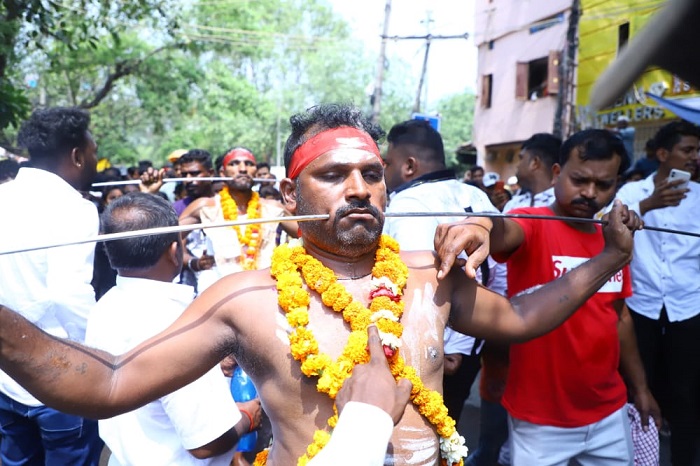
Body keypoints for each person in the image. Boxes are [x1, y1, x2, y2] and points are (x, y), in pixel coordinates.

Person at [0, 104, 641, 466]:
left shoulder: (429, 276)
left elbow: (524, 319)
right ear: (290, 196)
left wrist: (611, 257)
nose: (359, 188)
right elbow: (108, 381)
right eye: (334, 174)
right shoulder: (247, 298)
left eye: (371, 173)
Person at [439, 129, 659, 465]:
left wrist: (641, 388)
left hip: (608, 411)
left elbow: (620, 317)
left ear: (617, 185)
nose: (589, 193)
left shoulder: (614, 239)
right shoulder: (533, 222)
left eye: (603, 185)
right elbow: (502, 229)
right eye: (579, 179)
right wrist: (481, 225)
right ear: (557, 174)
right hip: (539, 418)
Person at [86, 192, 262, 466]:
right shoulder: (178, 325)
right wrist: (248, 417)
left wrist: (210, 365)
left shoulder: (104, 306)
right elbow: (206, 443)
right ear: (174, 251)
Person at [0, 107, 104, 465]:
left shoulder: (2, 196)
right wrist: (101, 357)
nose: (95, 160)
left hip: (6, 374)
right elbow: (68, 293)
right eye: (93, 152)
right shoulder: (74, 209)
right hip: (60, 378)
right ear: (76, 155)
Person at [382, 119, 500, 427]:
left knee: (420, 435)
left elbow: (420, 284)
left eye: (387, 163)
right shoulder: (476, 196)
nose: (383, 171)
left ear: (409, 165)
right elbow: (499, 275)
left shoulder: (409, 202)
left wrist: (439, 347)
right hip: (472, 344)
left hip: (438, 351)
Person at [467, 133, 561, 466]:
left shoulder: (562, 209)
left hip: (540, 319)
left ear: (535, 162)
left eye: (521, 157)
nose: (517, 164)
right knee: (496, 389)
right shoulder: (516, 203)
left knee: (534, 393)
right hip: (503, 316)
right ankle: (490, 452)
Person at [613, 120, 700, 466]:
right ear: (663, 154)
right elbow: (608, 224)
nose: (696, 157)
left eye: (698, 151)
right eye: (688, 150)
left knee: (686, 394)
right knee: (636, 388)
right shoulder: (633, 194)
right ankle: (635, 458)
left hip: (689, 306)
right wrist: (648, 205)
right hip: (640, 307)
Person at [179, 147, 295, 291]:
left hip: (264, 291)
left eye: (249, 164)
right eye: (234, 163)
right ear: (222, 173)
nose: (242, 169)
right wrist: (193, 262)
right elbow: (168, 241)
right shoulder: (205, 207)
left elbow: (311, 238)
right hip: (220, 293)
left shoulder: (273, 208)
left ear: (255, 172)